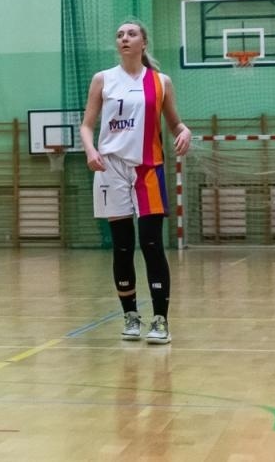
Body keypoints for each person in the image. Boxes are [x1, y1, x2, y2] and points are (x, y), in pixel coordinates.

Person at [80, 20, 190, 346]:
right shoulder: (103, 79)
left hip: (147, 170)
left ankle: (160, 319)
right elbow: (87, 125)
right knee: (123, 245)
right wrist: (90, 150)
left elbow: (176, 124)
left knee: (152, 244)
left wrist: (184, 133)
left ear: (144, 42)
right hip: (110, 168)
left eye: (131, 34)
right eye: (119, 34)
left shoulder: (161, 82)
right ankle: (130, 315)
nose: (124, 38)